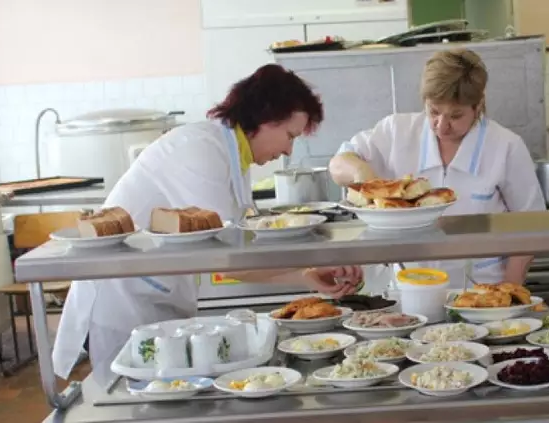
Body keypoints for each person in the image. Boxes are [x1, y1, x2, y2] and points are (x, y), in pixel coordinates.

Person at [53, 64, 363, 382]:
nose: (288, 150)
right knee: (129, 395)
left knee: (164, 392)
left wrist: (306, 275)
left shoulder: (231, 156)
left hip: (156, 297)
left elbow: (234, 252)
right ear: (265, 118)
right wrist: (309, 267)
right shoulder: (198, 149)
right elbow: (228, 257)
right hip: (121, 301)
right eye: (290, 136)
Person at [328, 48, 545, 288]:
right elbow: (338, 163)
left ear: (478, 106)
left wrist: (509, 290)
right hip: (409, 286)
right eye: (434, 111)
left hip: (481, 289)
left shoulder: (506, 146)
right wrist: (362, 175)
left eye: (456, 116)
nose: (441, 126)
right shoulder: (396, 132)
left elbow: (531, 225)